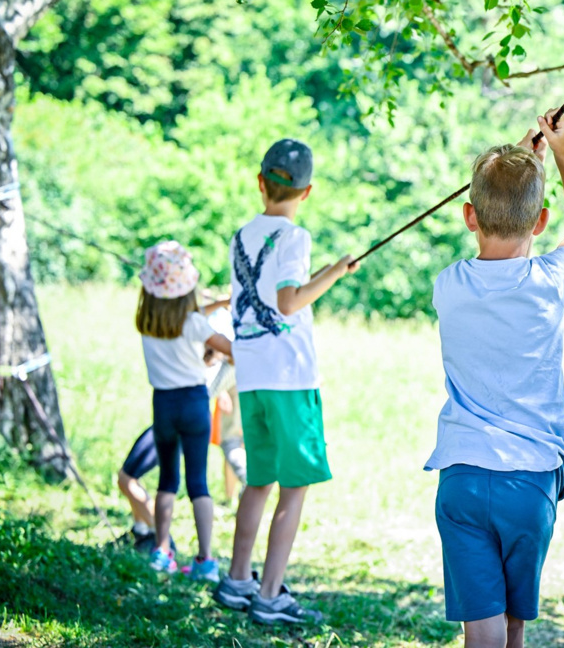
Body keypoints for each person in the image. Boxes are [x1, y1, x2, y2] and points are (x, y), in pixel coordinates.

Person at [424, 109, 564, 648]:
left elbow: (504, 211)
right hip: (530, 479)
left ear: (468, 216)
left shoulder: (446, 285)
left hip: (463, 479)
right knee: (513, 628)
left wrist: (518, 162)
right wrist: (562, 156)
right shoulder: (553, 282)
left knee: (481, 634)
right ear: (540, 220)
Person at [213, 139, 359, 625]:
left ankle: (237, 581)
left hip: (251, 376)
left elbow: (278, 288)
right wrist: (337, 271)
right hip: (290, 379)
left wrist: (322, 273)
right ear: (307, 191)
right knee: (294, 488)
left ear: (261, 183)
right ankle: (270, 594)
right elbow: (289, 302)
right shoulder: (294, 237)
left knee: (258, 481)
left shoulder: (241, 236)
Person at [136, 241, 233, 582]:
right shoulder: (193, 323)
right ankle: (205, 560)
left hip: (163, 404)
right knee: (198, 484)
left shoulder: (146, 321)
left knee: (167, 480)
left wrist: (217, 303)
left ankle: (162, 551)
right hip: (194, 403)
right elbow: (228, 349)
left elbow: (182, 316)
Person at [118, 301, 239, 554]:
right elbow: (196, 319)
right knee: (196, 484)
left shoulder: (168, 330)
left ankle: (158, 540)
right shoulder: (216, 355)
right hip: (196, 413)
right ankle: (149, 532)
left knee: (137, 479)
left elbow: (190, 316)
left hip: (169, 407)